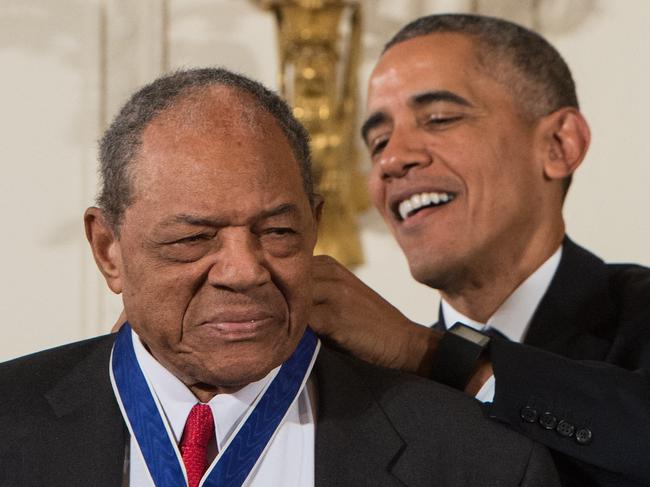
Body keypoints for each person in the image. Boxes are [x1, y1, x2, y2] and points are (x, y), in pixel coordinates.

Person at [0, 68, 559, 487]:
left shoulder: (478, 461)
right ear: (108, 249)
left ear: (315, 226)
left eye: (279, 232)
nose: (245, 272)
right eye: (193, 239)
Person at [309, 14, 650, 487]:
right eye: (377, 142)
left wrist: (432, 354)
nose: (392, 159)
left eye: (439, 119)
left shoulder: (638, 314)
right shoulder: (360, 388)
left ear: (558, 144)